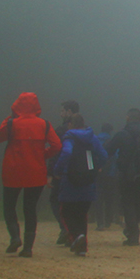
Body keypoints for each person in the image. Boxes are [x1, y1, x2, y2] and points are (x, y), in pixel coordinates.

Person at [0, 92, 62, 258]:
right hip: (35, 172)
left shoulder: (12, 123)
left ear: (17, 105)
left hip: (13, 172)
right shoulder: (44, 124)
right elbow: (57, 145)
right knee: (30, 209)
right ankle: (28, 248)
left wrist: (8, 121)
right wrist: (42, 155)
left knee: (9, 206)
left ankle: (15, 237)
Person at [53, 114, 104, 256]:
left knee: (66, 212)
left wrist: (57, 170)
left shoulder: (69, 137)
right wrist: (97, 167)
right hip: (88, 181)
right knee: (82, 213)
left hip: (70, 180)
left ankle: (77, 237)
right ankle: (82, 245)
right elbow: (103, 155)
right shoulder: (92, 138)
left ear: (70, 124)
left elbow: (67, 152)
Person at [106, 109, 140, 246]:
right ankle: (133, 231)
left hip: (126, 175)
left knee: (127, 203)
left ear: (128, 118)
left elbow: (109, 150)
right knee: (137, 202)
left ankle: (133, 234)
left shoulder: (122, 134)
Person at [48, 99, 80, 245]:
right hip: (80, 172)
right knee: (75, 202)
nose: (60, 114)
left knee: (55, 199)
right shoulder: (85, 129)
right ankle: (75, 233)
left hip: (61, 172)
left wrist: (51, 172)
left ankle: (65, 228)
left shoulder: (61, 130)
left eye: (62, 111)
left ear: (69, 112)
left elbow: (55, 153)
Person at [93, 122, 118, 232]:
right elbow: (116, 157)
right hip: (110, 174)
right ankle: (108, 221)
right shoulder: (112, 141)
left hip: (98, 173)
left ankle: (100, 222)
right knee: (109, 198)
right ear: (110, 131)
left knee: (98, 197)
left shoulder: (95, 140)